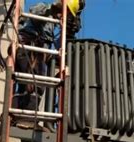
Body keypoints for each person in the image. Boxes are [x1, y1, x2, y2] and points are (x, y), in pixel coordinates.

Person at [12, 0, 85, 129]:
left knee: (25, 85)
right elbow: (34, 12)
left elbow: (52, 43)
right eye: (67, 11)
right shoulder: (45, 8)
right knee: (34, 83)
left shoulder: (54, 24)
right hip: (29, 48)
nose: (66, 15)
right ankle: (26, 119)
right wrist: (52, 8)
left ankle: (14, 116)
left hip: (34, 51)